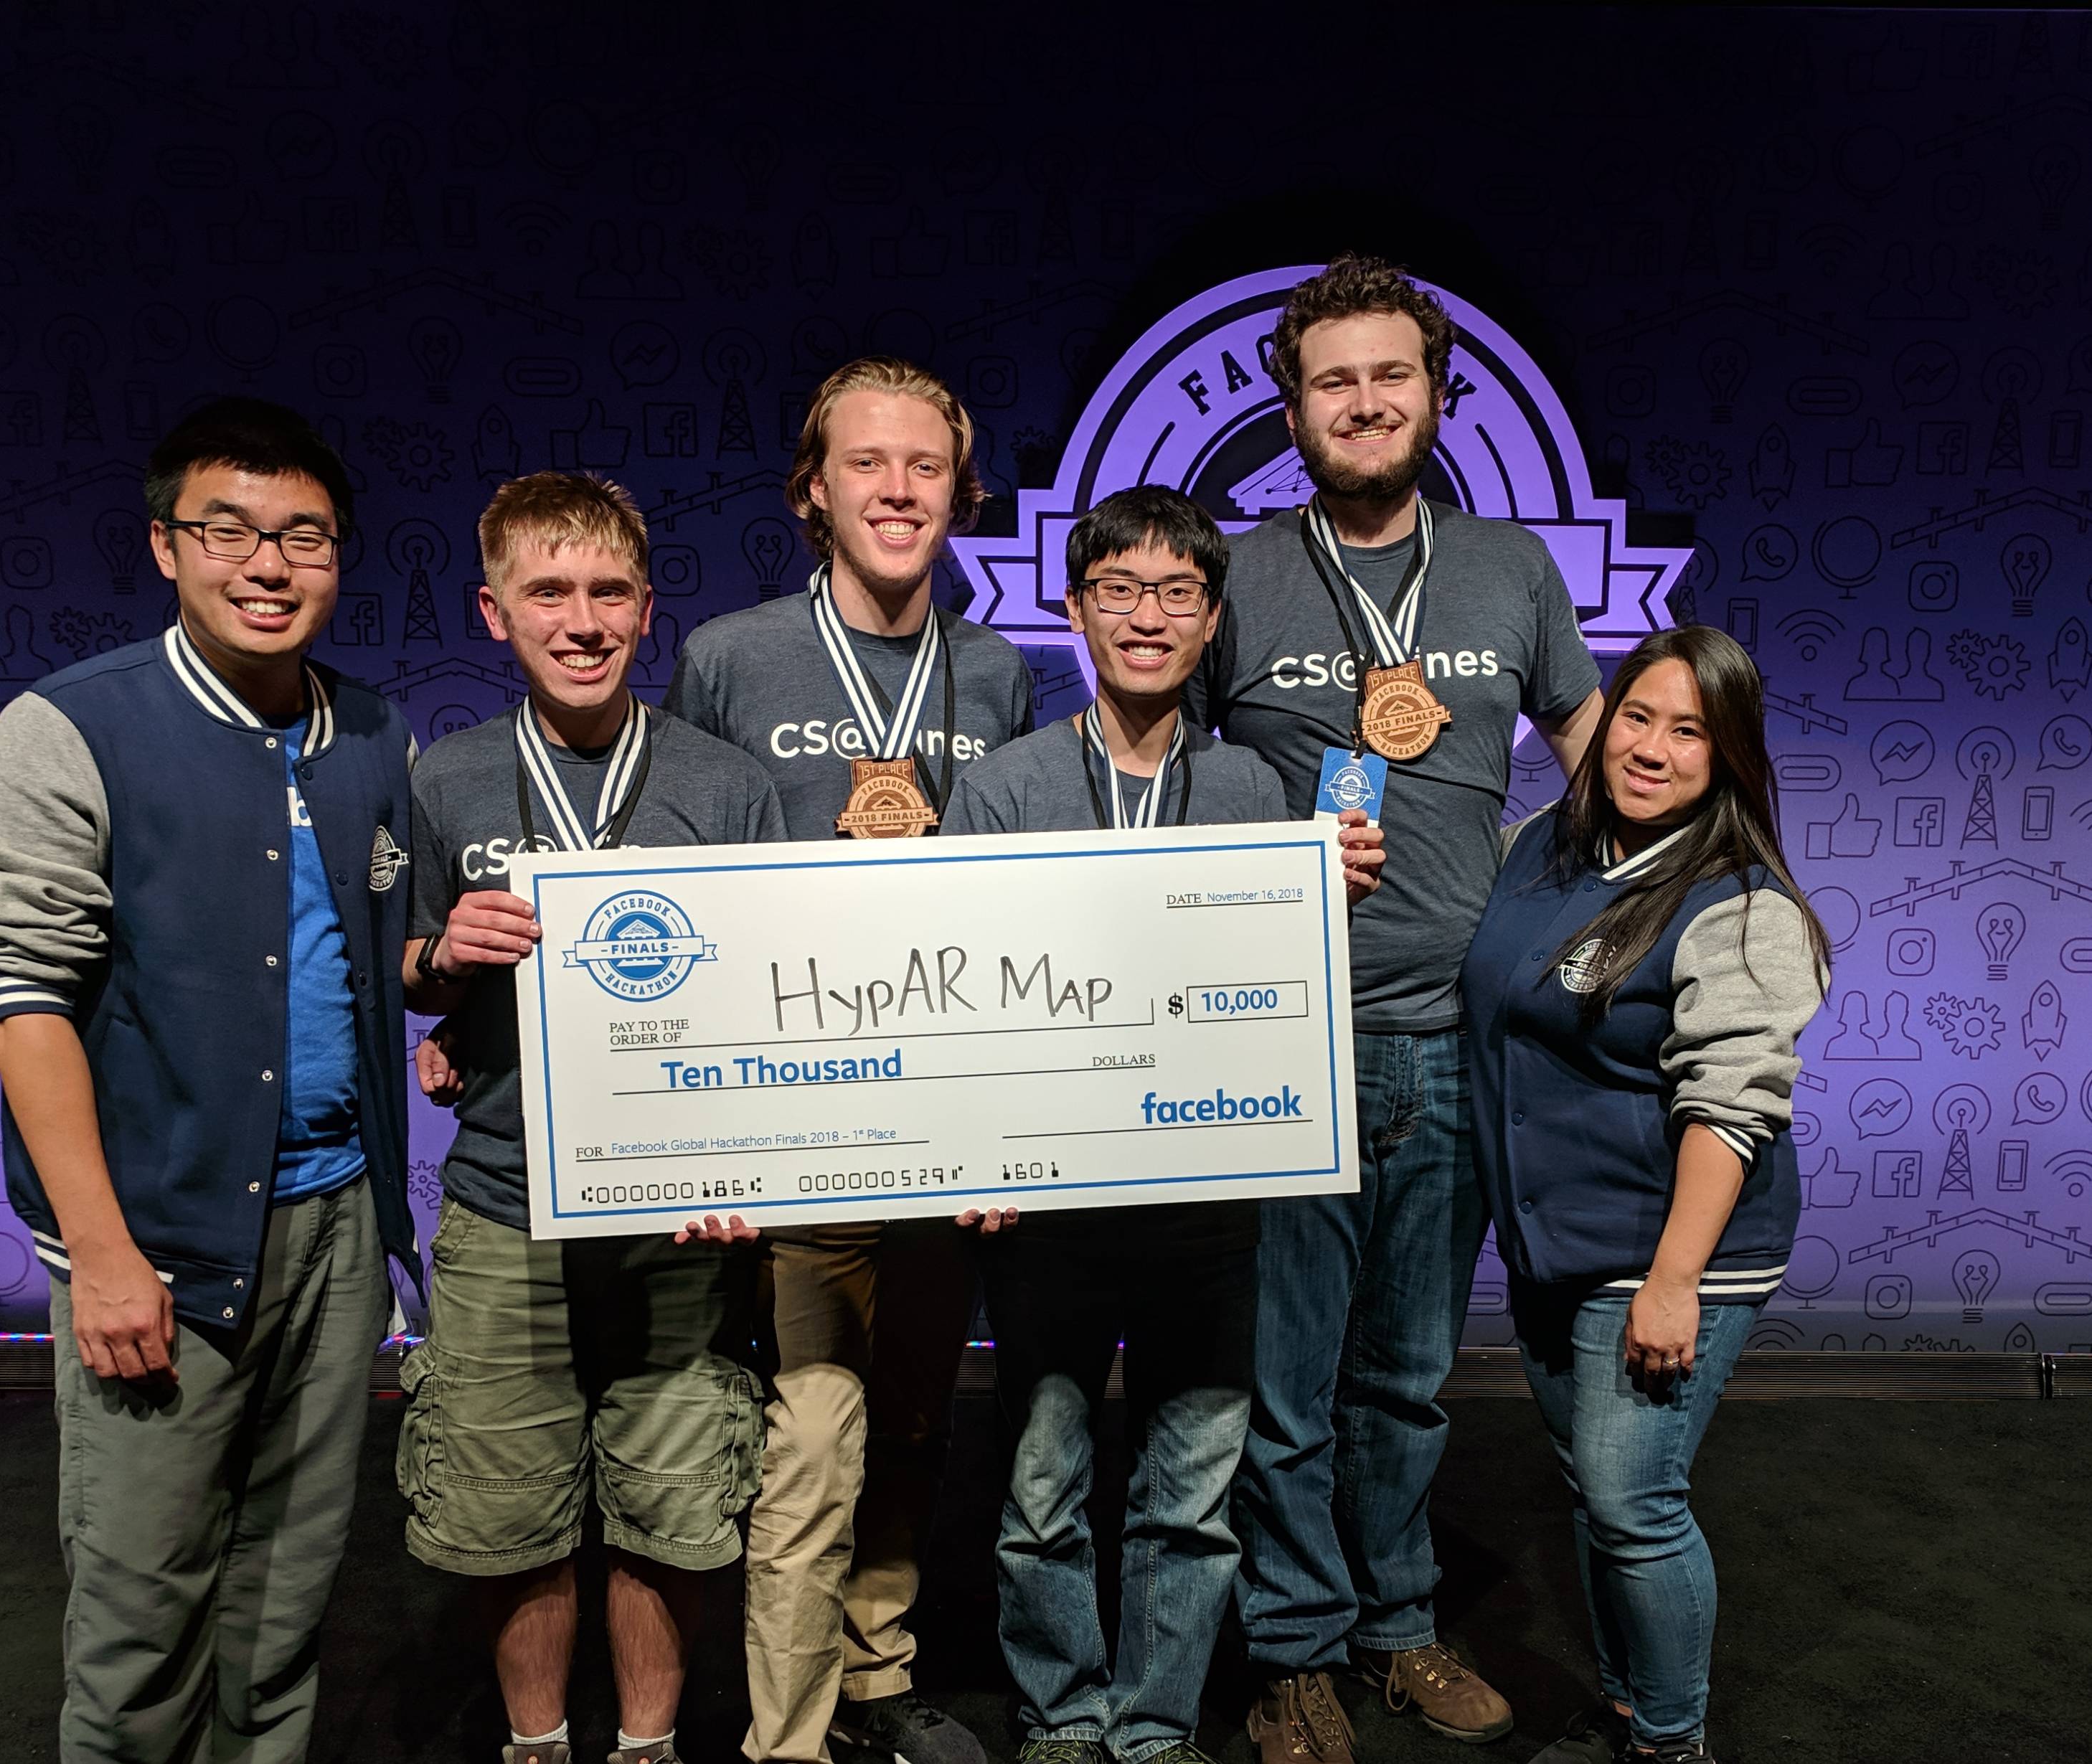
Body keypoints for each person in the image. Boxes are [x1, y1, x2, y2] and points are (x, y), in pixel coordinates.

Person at [0, 397, 416, 1763]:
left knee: (284, 1601)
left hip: (334, 1230)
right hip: (156, 1235)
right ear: (167, 546)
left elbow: (361, 953)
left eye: (304, 538)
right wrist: (99, 1253)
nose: (267, 565)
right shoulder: (71, 727)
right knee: (142, 1615)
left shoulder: (370, 734)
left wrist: (449, 974)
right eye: (230, 531)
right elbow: (23, 997)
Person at [1185, 254, 1608, 1760]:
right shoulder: (1232, 573)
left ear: (1438, 394)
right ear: (1290, 407)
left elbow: (1604, 752)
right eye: (1333, 380)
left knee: (1410, 1377)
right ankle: (1292, 1647)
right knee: (1285, 1377)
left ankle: (1398, 1623)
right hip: (1280, 1041)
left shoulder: (1509, 571)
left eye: (1392, 376)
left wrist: (1671, 901)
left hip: (1456, 1043)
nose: (1365, 403)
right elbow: (1153, 770)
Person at [941, 486, 1385, 1764]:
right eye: (1119, 591)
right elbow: (963, 990)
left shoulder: (1257, 791)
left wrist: (1323, 899)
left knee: (1191, 1494)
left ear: (1209, 624)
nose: (1147, 616)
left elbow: (1274, 998)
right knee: (1040, 1493)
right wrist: (975, 1156)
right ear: (1073, 610)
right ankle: (1063, 1716)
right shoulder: (1008, 783)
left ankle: (1152, 1726)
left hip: (1207, 1215)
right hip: (1048, 1218)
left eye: (1178, 594)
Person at [664, 358, 1032, 1764]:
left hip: (941, 1115)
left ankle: (881, 1670)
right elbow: (682, 894)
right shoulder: (732, 659)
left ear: (960, 491)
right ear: (812, 490)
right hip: (800, 1114)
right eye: (866, 464)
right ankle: (790, 1727)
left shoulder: (1001, 674)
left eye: (924, 467)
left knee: (923, 1415)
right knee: (813, 1437)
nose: (897, 490)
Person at [396, 472, 786, 1764]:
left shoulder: (726, 789)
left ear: (647, 610)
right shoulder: (444, 779)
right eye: (546, 592)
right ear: (493, 612)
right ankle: (536, 1745)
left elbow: (780, 996)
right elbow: (394, 969)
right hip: (509, 1203)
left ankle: (648, 1750)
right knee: (514, 1515)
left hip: (683, 1216)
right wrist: (441, 966)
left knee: (670, 1511)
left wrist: (747, 1163)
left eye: (606, 591)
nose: (580, 619)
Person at [1460, 627, 1825, 1764]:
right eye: (1637, 717)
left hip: (1670, 1250)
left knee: (1632, 1500)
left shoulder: (1740, 902)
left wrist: (1673, 1284)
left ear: (1727, 757)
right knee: (1590, 1491)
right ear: (1600, 718)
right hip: (1554, 1241)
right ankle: (1622, 1711)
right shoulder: (1537, 847)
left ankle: (1671, 1746)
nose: (1653, 749)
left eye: (1689, 732)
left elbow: (1731, 1104)